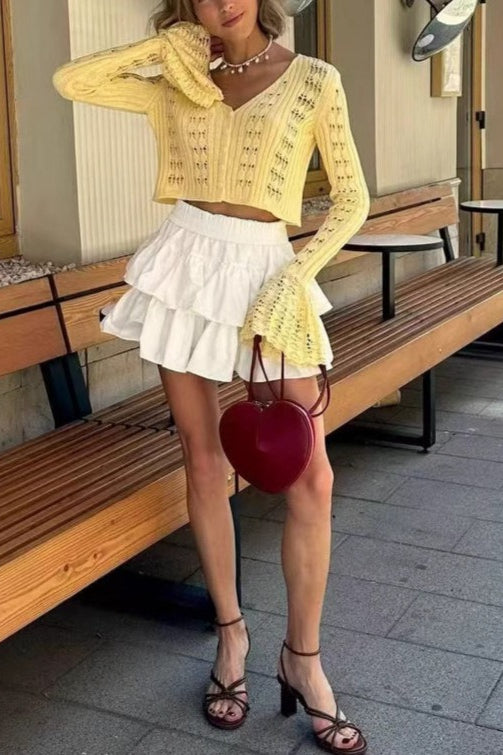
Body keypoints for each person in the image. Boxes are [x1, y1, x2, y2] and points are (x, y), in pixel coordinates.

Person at [52, 1, 370, 752]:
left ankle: (303, 658)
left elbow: (352, 197)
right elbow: (73, 80)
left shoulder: (313, 78)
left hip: (270, 268)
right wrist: (170, 47)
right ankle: (231, 636)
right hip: (185, 264)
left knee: (311, 475)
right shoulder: (177, 79)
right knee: (201, 460)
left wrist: (296, 276)